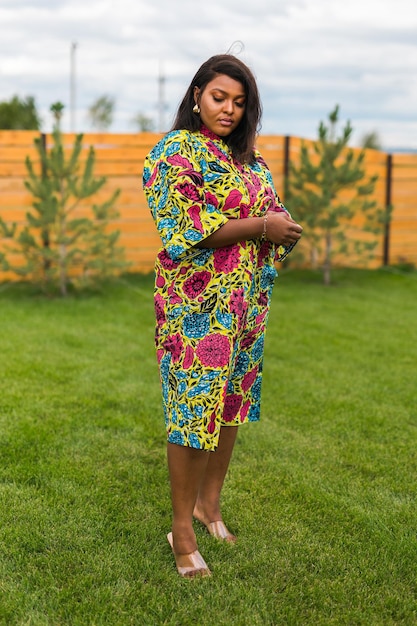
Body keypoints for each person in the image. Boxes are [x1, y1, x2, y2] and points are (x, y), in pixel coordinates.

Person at [142, 53, 302, 578]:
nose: (228, 109)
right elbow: (184, 228)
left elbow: (271, 213)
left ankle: (209, 508)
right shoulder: (174, 152)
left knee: (230, 405)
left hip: (246, 307)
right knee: (192, 412)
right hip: (197, 309)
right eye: (219, 97)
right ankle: (181, 532)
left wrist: (281, 226)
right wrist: (261, 226)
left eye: (239, 102)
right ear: (195, 95)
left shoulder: (251, 162)